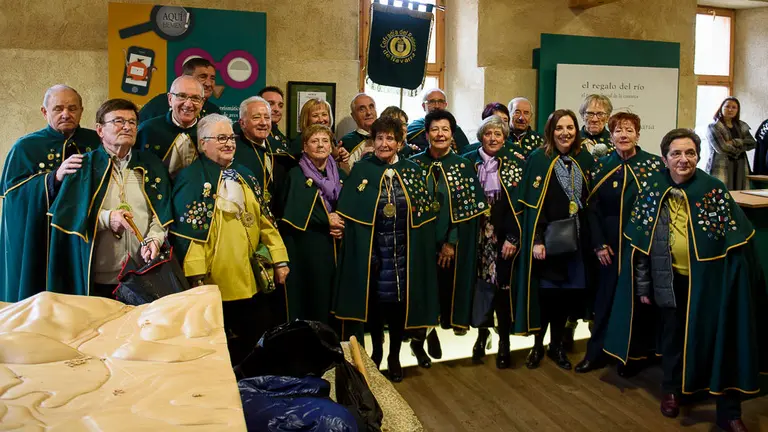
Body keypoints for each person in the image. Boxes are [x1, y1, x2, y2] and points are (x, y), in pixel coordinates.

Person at [604, 128, 768, 432]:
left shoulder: (713, 189)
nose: (684, 159)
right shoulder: (653, 189)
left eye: (690, 153)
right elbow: (639, 247)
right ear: (665, 158)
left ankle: (728, 410)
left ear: (698, 155)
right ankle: (672, 391)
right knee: (673, 339)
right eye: (676, 153)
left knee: (720, 342)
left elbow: (736, 241)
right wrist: (643, 287)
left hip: (710, 285)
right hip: (670, 282)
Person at [169, 114, 290, 365]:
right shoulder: (190, 178)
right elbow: (190, 236)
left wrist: (279, 260)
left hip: (252, 277)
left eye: (231, 137)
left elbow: (266, 221)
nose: (229, 143)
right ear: (203, 143)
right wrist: (196, 277)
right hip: (214, 281)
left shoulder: (245, 173)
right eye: (221, 138)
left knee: (255, 343)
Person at [333, 116, 439, 382]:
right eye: (379, 138)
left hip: (404, 254)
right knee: (376, 308)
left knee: (398, 308)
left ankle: (394, 356)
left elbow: (423, 216)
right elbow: (352, 214)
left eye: (390, 138)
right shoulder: (362, 170)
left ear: (400, 143)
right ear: (372, 141)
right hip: (375, 253)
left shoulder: (412, 170)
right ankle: (377, 352)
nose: (384, 143)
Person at [47, 98, 172, 297]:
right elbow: (69, 215)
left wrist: (154, 239)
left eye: (132, 122)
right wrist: (107, 218)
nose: (127, 127)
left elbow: (162, 212)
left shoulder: (151, 164)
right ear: (99, 130)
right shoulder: (83, 166)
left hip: (142, 273)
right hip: (98, 276)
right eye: (118, 121)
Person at [575, 112, 663, 375]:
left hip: (641, 246)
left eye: (629, 130)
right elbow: (592, 209)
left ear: (638, 134)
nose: (623, 135)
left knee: (640, 300)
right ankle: (597, 352)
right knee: (604, 300)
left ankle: (634, 355)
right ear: (610, 135)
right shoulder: (601, 166)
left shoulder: (654, 166)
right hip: (609, 246)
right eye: (618, 131)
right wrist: (599, 244)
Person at [514, 109, 599, 371]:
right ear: (551, 131)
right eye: (559, 128)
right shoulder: (539, 159)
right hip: (549, 241)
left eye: (570, 128)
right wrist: (537, 239)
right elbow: (531, 203)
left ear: (576, 130)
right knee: (546, 295)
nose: (565, 133)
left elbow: (590, 200)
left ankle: (557, 346)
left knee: (565, 297)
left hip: (576, 240)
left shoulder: (584, 159)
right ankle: (537, 345)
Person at [0, 85, 101, 302]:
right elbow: (12, 195)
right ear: (45, 112)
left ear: (82, 111)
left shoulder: (96, 142)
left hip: (86, 235)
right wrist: (53, 178)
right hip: (41, 235)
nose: (66, 114)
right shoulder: (26, 147)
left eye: (72, 108)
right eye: (58, 109)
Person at [410, 109, 486, 365]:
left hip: (450, 242)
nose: (440, 134)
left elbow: (466, 208)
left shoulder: (463, 165)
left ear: (452, 134)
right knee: (422, 293)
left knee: (444, 292)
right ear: (427, 133)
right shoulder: (415, 163)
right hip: (419, 243)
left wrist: (451, 242)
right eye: (434, 129)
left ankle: (435, 330)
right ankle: (419, 341)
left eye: (445, 129)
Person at [462, 115, 523, 369]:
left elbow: (519, 204)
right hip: (475, 238)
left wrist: (512, 237)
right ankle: (481, 334)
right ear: (481, 136)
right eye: (488, 133)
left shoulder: (513, 164)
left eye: (498, 134)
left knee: (501, 291)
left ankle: (504, 343)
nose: (493, 138)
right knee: (479, 288)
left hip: (502, 239)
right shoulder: (468, 163)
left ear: (504, 138)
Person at [278, 124, 344, 329]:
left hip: (336, 244)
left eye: (325, 141)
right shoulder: (296, 175)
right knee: (313, 298)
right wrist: (326, 219)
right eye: (314, 141)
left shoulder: (340, 172)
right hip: (307, 247)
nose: (320, 145)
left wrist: (340, 220)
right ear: (305, 147)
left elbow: (351, 202)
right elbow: (293, 211)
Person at [135, 76, 204, 177]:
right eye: (182, 96)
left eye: (195, 98)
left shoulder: (209, 132)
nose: (188, 104)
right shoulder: (147, 130)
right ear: (170, 99)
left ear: (202, 103)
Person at [235, 96, 291, 211]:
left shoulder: (278, 148)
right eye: (256, 118)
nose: (263, 123)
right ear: (242, 123)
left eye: (267, 117)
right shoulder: (233, 150)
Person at [138, 58, 220, 123]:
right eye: (203, 77)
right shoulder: (160, 103)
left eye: (212, 78)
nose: (209, 83)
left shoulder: (214, 111)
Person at [703, 97, 756, 190]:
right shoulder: (713, 127)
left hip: (740, 166)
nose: (730, 109)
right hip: (721, 164)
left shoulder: (742, 125)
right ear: (721, 108)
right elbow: (722, 147)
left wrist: (734, 142)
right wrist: (741, 147)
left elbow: (752, 143)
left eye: (734, 107)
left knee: (740, 194)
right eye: (727, 106)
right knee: (721, 194)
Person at [407, 88, 470, 152]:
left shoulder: (455, 129)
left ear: (445, 105)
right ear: (424, 106)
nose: (437, 106)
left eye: (440, 101)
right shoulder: (414, 128)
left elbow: (465, 153)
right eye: (432, 102)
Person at [339, 93, 377, 168]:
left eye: (371, 107)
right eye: (362, 109)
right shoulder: (346, 142)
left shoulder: (386, 138)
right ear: (353, 116)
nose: (369, 113)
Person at [258, 86, 292, 155]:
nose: (277, 109)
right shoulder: (250, 134)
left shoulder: (282, 138)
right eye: (271, 104)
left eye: (280, 105)